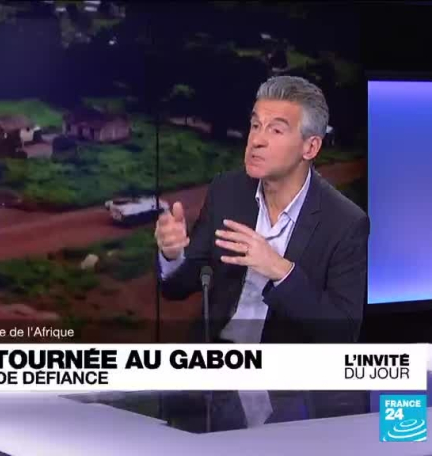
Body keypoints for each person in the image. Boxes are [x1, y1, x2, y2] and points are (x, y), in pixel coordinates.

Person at [155, 75, 369, 344]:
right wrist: (173, 256)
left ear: (310, 147)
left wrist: (281, 270)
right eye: (256, 125)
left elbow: (343, 333)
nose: (256, 140)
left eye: (276, 130)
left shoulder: (345, 223)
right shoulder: (227, 191)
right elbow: (179, 287)